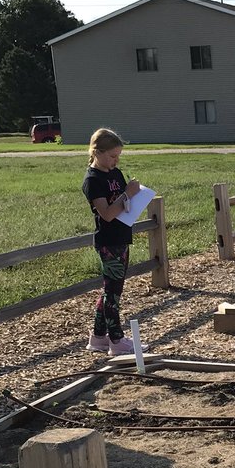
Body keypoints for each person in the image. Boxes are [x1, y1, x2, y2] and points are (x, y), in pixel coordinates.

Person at [81, 127, 141, 356]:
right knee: (113, 293)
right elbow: (106, 213)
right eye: (112, 156)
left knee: (112, 290)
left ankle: (98, 338)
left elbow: (123, 203)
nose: (116, 161)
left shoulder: (115, 173)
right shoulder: (93, 179)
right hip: (108, 241)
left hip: (122, 236)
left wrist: (131, 195)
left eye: (118, 156)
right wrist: (128, 194)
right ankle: (116, 340)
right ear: (97, 152)